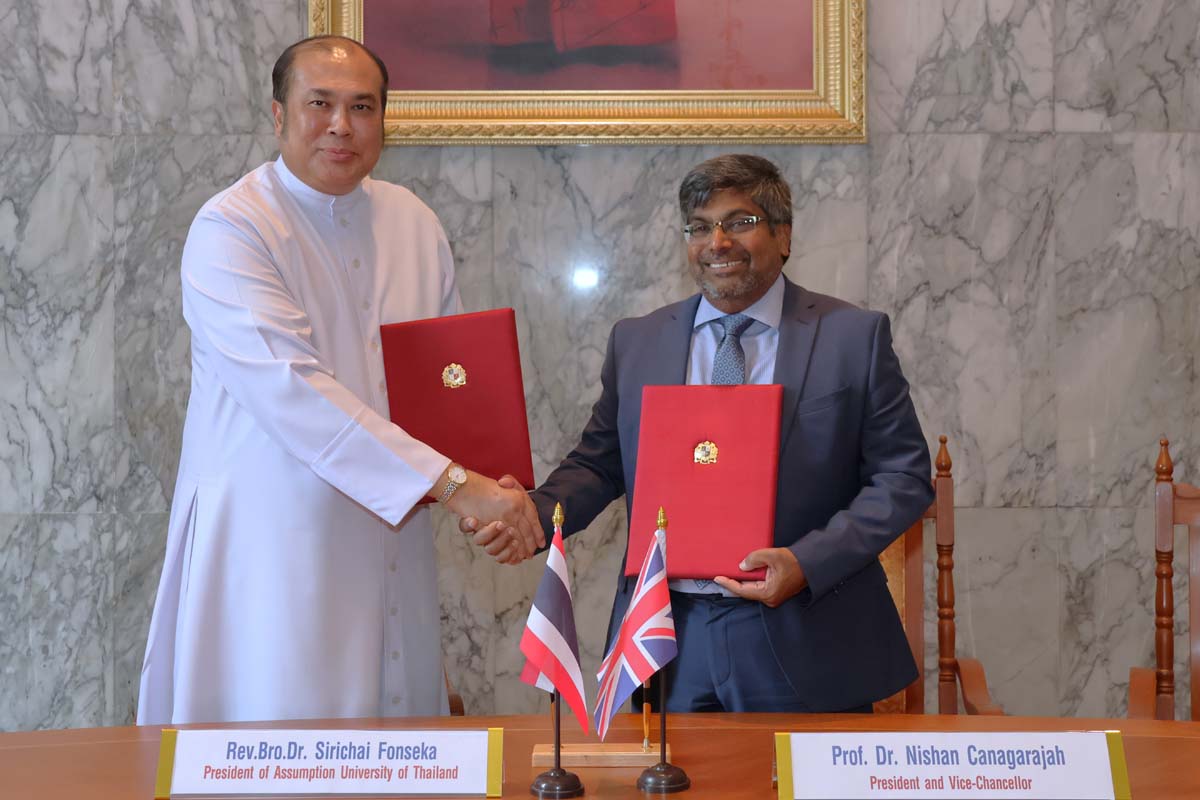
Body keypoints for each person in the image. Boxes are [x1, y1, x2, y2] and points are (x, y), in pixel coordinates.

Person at [137, 36, 539, 726]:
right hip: (273, 545)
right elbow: (295, 395)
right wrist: (460, 487)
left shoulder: (414, 222)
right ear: (278, 115)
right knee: (280, 745)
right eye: (319, 104)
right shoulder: (232, 227)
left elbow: (447, 385)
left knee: (400, 750)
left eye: (362, 107)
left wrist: (489, 496)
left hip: (395, 541)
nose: (340, 126)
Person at [469, 154, 933, 713]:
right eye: (699, 227)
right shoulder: (637, 341)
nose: (718, 242)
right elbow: (600, 462)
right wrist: (535, 513)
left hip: (805, 634)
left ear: (784, 235)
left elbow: (903, 478)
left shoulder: (852, 337)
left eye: (740, 222)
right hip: (669, 637)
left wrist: (806, 562)